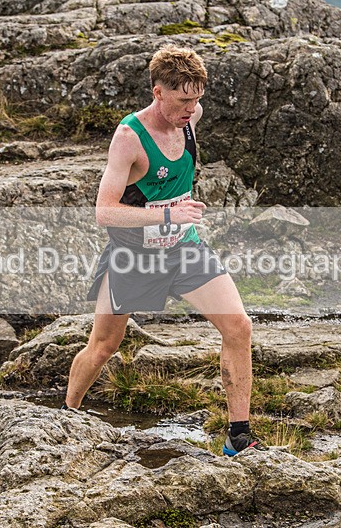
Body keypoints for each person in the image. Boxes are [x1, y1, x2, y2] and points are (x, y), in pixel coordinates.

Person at [63, 45, 264, 456]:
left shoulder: (191, 121)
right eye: (183, 100)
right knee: (104, 345)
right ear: (158, 92)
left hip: (184, 249)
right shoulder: (128, 139)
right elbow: (104, 213)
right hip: (133, 257)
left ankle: (238, 436)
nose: (192, 108)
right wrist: (168, 215)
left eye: (197, 98)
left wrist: (176, 219)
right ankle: (68, 417)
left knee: (238, 327)